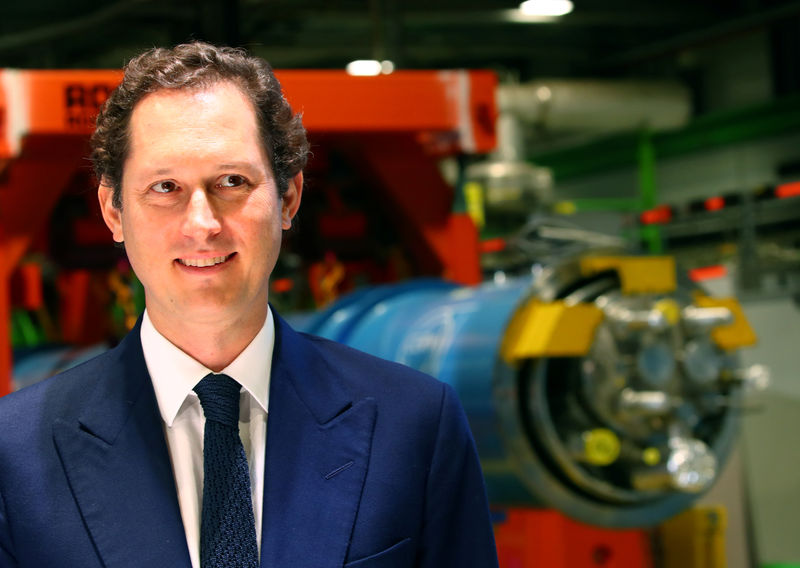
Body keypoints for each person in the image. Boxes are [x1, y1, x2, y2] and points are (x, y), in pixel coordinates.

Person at [0, 42, 499, 567]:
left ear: (288, 198)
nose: (203, 225)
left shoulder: (415, 426)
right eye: (165, 187)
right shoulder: (16, 454)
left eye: (232, 182)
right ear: (113, 211)